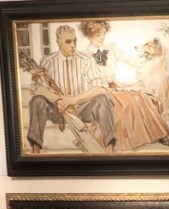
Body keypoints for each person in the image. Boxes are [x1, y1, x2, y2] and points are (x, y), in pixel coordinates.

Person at [79, 20, 169, 150]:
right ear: (89, 35)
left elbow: (131, 60)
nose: (102, 37)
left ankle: (160, 134)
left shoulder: (111, 48)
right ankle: (123, 141)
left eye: (103, 33)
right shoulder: (83, 56)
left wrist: (154, 59)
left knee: (141, 97)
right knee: (128, 101)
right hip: (97, 93)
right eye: (98, 35)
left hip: (114, 87)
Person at [25, 24, 116, 154]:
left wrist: (74, 100)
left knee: (103, 99)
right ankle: (35, 151)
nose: (73, 45)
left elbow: (100, 88)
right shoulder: (48, 61)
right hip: (57, 110)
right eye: (68, 42)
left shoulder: (86, 60)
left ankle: (110, 150)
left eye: (74, 41)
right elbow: (38, 89)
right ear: (58, 43)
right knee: (37, 101)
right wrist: (60, 100)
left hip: (82, 109)